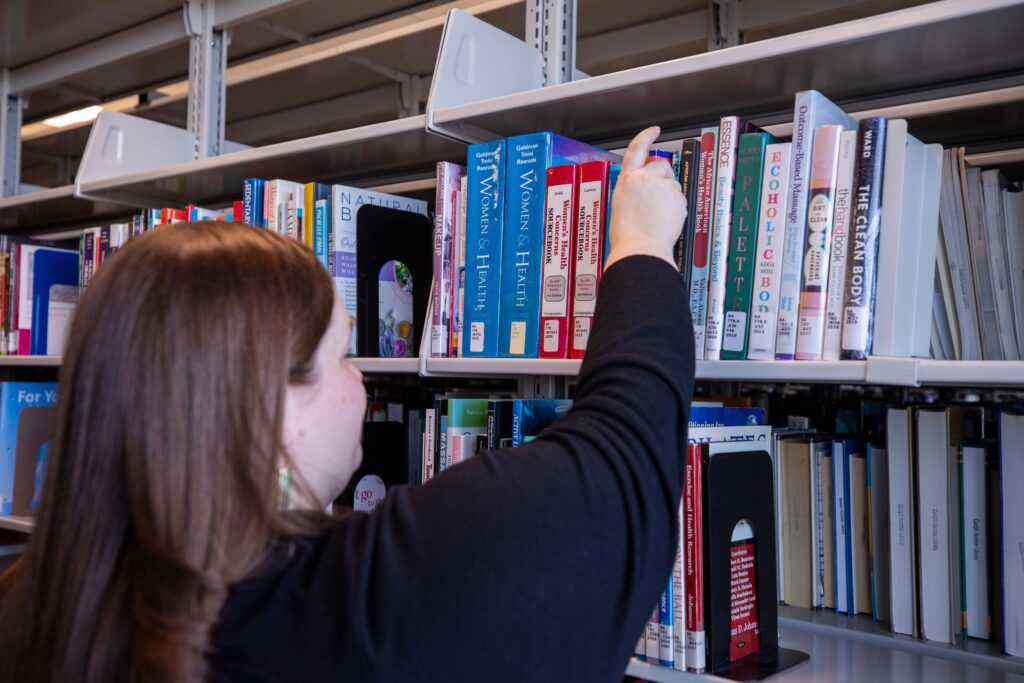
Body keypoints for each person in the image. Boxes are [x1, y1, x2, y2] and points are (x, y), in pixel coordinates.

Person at [0, 126, 693, 682]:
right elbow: (624, 464)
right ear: (263, 410)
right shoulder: (360, 599)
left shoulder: (34, 596)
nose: (363, 381)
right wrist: (640, 246)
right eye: (342, 355)